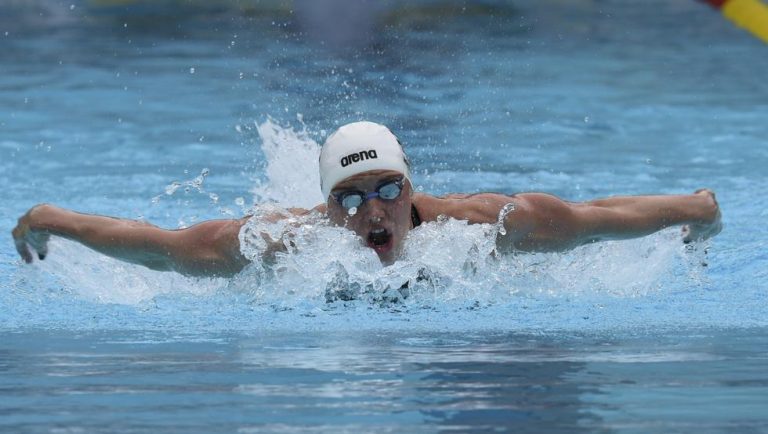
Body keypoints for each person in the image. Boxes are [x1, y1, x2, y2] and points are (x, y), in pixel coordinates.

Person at [12, 121, 722, 278]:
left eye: (388, 189)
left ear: (411, 185)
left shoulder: (490, 226)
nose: (375, 211)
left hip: (535, 220)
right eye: (350, 199)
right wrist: (53, 221)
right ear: (324, 208)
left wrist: (697, 210)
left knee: (574, 222)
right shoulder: (278, 242)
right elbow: (160, 248)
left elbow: (604, 221)